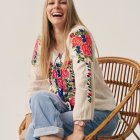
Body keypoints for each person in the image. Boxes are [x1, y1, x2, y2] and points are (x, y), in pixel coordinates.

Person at [23, 0, 119, 140]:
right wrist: (28, 123)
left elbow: (84, 81)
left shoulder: (79, 35)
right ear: (46, 9)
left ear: (70, 8)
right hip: (67, 109)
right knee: (39, 98)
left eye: (63, 2)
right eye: (51, 3)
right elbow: (35, 83)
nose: (56, 6)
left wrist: (79, 129)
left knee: (36, 129)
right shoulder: (43, 41)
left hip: (99, 113)